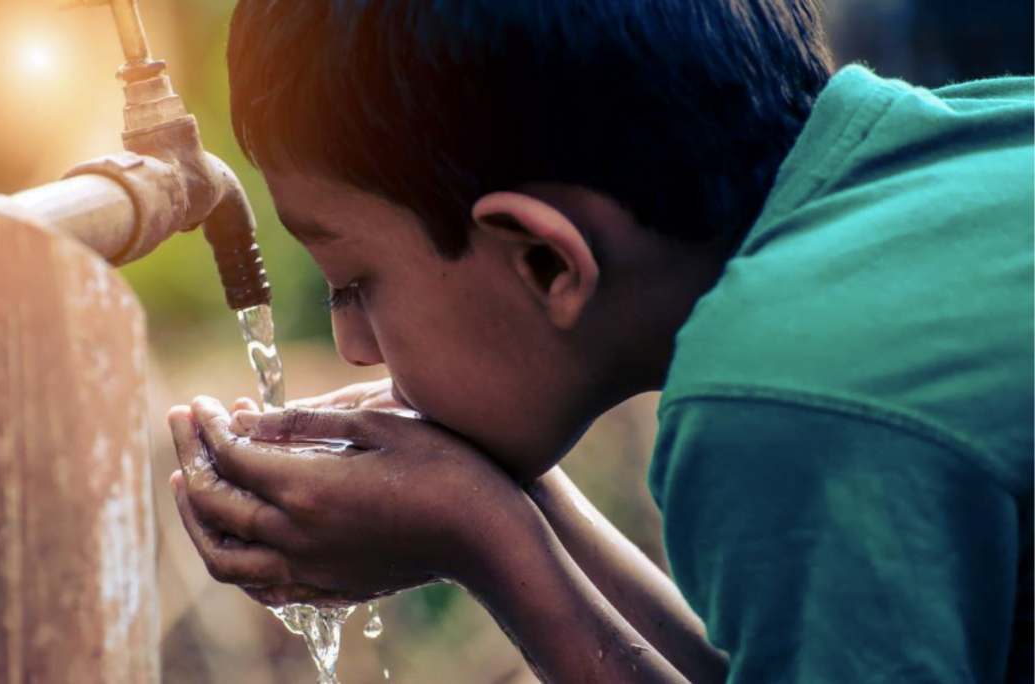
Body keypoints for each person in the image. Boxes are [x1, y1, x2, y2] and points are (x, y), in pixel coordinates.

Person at [166, 2, 1034, 682]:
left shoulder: (791, 397)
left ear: (546, 261)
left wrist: (481, 541)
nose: (355, 347)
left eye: (355, 285)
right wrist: (523, 508)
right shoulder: (971, 146)